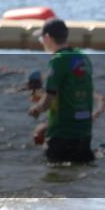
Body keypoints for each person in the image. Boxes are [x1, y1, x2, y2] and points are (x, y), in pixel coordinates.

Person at [28, 18, 95, 164]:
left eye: (41, 38)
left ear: (47, 38)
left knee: (54, 178)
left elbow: (48, 99)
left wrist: (36, 109)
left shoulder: (58, 60)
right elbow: (71, 92)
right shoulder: (82, 57)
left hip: (63, 136)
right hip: (84, 134)